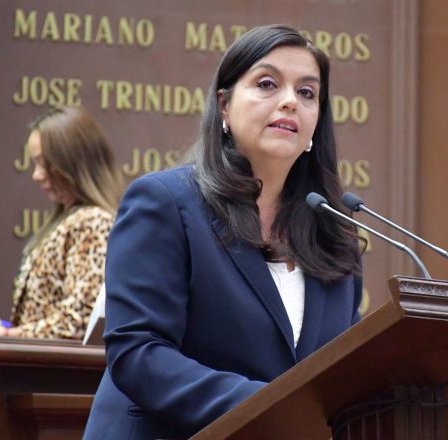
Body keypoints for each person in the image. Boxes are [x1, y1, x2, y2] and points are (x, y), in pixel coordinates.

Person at [83, 25, 363, 439]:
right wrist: (272, 406)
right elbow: (138, 352)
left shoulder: (334, 233)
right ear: (225, 106)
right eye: (267, 84)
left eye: (307, 92)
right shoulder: (164, 203)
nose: (290, 101)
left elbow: (343, 371)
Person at [0, 106, 124, 339]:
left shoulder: (93, 223)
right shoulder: (69, 221)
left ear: (71, 163)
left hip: (54, 364)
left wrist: (6, 335)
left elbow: (79, 322)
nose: (36, 175)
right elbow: (49, 315)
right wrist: (3, 327)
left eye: (43, 163)